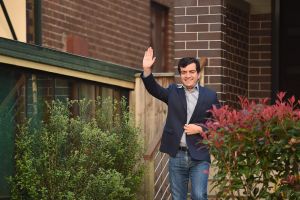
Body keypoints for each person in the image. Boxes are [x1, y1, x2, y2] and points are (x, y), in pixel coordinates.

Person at [141, 47, 220, 200]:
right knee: (178, 197)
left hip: (199, 155)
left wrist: (200, 128)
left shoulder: (210, 96)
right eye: (184, 72)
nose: (187, 76)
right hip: (176, 155)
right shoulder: (173, 91)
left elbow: (219, 123)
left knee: (199, 195)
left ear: (198, 74)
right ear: (180, 74)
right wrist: (146, 70)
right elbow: (154, 89)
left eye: (191, 72)